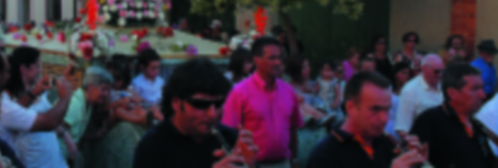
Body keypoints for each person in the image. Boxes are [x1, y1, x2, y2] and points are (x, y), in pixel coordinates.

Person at [134, 57, 257, 168]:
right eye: (201, 104)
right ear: (176, 103)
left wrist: (248, 165)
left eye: (219, 104)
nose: (212, 114)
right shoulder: (153, 146)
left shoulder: (229, 138)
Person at [307, 72, 429, 168]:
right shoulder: (325, 155)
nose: (384, 118)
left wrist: (416, 163)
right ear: (350, 107)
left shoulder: (384, 143)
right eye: (375, 109)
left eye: (387, 109)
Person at [222, 37, 302, 168]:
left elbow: (293, 129)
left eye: (280, 57)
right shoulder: (239, 92)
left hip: (284, 164)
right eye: (272, 58)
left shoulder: (288, 91)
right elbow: (228, 133)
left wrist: (294, 159)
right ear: (256, 60)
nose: (278, 62)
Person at [410, 62, 495, 167]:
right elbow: (413, 161)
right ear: (452, 93)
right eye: (475, 89)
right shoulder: (430, 121)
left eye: (482, 88)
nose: (483, 95)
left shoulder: (478, 126)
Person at [3, 46, 73, 168]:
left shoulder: (36, 90)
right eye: (38, 66)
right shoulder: (10, 102)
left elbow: (51, 122)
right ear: (24, 69)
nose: (41, 71)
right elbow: (49, 121)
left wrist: (64, 134)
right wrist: (65, 97)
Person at [59, 66, 113, 162]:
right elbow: (55, 129)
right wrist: (70, 144)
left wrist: (94, 136)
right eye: (104, 89)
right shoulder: (75, 105)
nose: (107, 94)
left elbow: (75, 132)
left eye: (108, 90)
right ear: (91, 86)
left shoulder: (89, 104)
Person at [394, 54, 443, 137]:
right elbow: (403, 128)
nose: (440, 75)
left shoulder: (444, 86)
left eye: (442, 71)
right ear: (424, 69)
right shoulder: (410, 90)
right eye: (437, 71)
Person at [385, 62, 411, 141]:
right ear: (395, 74)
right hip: (388, 127)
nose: (406, 76)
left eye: (408, 73)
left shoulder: (410, 91)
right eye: (403, 72)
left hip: (404, 128)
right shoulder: (387, 90)